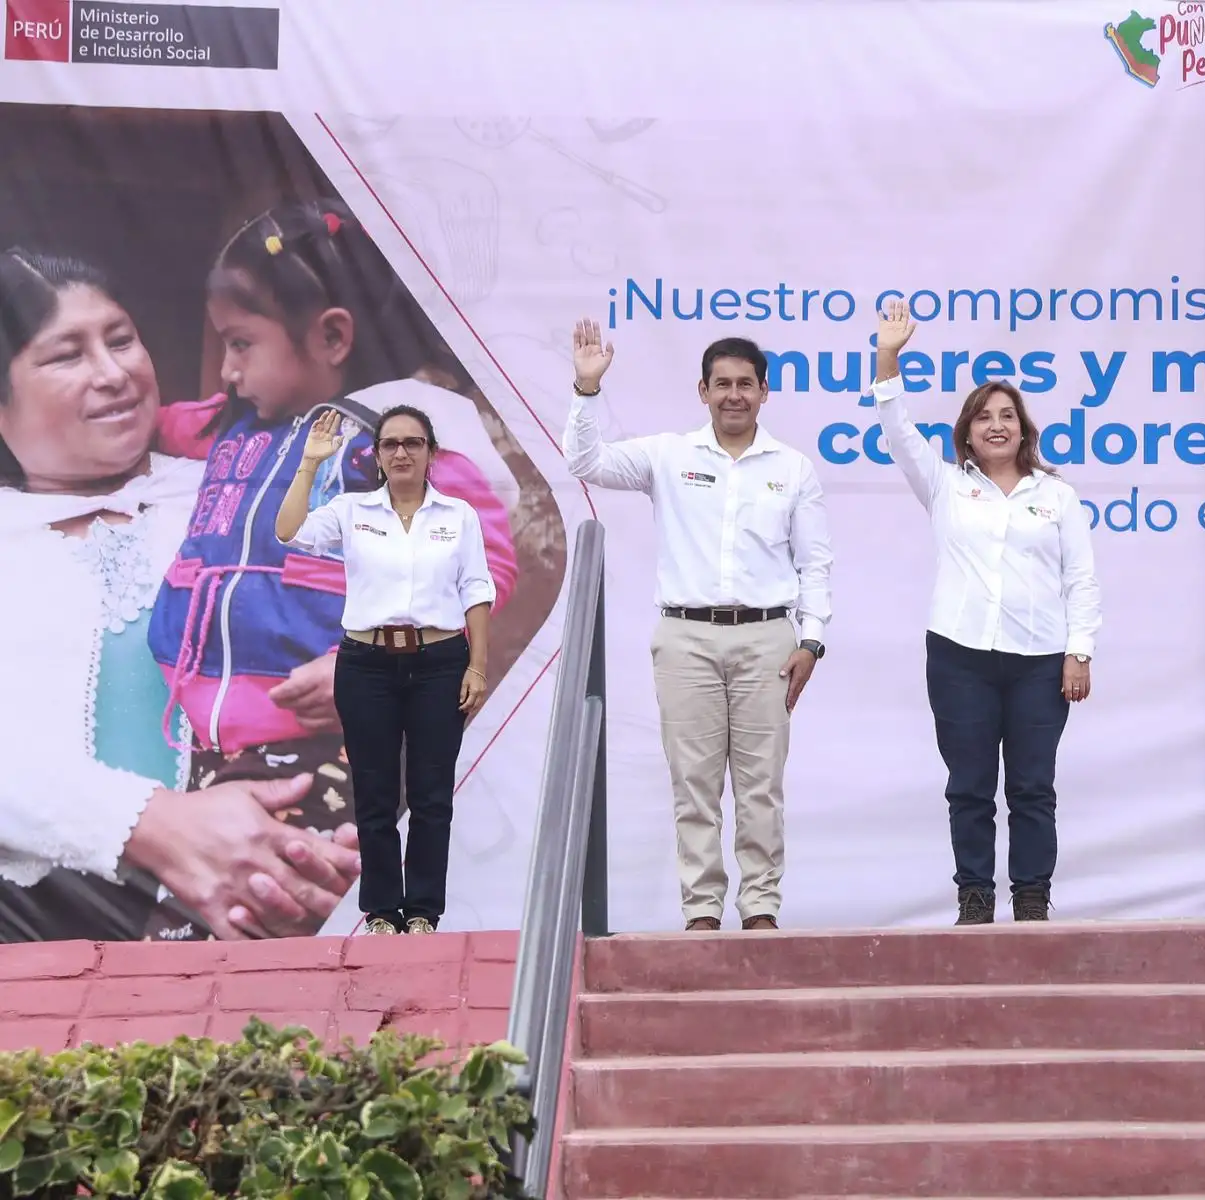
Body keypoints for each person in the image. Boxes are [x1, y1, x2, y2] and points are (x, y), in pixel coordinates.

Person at [143, 198, 519, 938]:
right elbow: (153, 421)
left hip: (336, 748)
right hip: (219, 756)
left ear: (333, 336)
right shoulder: (237, 427)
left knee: (264, 930)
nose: (227, 367)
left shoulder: (397, 438)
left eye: (241, 342)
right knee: (205, 936)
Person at [0, 246, 361, 943]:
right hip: (36, 926)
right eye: (66, 355)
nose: (114, 374)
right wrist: (152, 823)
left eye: (121, 339)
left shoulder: (237, 494)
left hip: (282, 889)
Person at [561, 320, 831, 933]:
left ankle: (760, 907)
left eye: (746, 384)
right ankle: (702, 912)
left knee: (761, 785)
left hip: (768, 637)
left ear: (765, 392)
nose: (734, 394)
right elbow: (585, 461)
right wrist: (585, 389)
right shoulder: (668, 455)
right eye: (722, 384)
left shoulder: (792, 468)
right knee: (695, 784)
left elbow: (815, 563)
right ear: (702, 391)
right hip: (686, 637)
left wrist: (811, 639)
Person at [869, 300, 1101, 925]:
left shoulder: (1057, 496)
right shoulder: (945, 485)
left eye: (1007, 417)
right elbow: (896, 429)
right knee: (969, 787)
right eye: (983, 418)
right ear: (967, 432)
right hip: (959, 656)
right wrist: (888, 357)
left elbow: (1081, 580)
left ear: (1024, 429)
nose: (996, 426)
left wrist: (1079, 651)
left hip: (1039, 661)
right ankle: (974, 896)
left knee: (1032, 788)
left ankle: (1031, 899)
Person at [275, 405, 494, 935]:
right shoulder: (352, 510)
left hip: (440, 663)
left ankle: (422, 910)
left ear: (430, 453)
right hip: (366, 664)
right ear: (376, 455)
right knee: (373, 791)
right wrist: (309, 465)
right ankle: (381, 911)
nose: (401, 453)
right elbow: (289, 531)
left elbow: (476, 590)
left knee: (430, 793)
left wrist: (479, 667)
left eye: (412, 443)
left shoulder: (458, 516)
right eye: (390, 444)